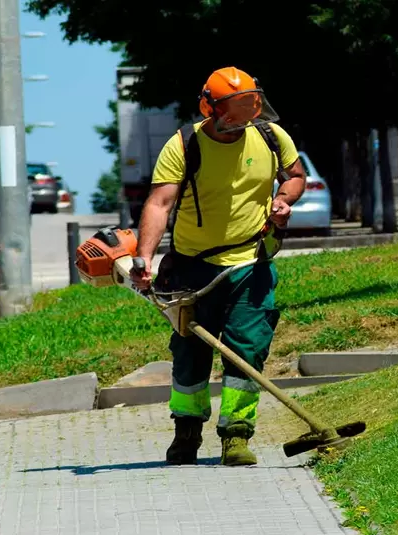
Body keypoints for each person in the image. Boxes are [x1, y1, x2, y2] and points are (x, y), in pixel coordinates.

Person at [129, 66, 306, 466]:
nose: (241, 119)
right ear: (210, 108)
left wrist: (284, 200)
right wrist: (144, 255)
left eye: (249, 108)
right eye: (232, 111)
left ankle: (236, 436)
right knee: (189, 352)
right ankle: (186, 432)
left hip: (251, 265)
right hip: (193, 269)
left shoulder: (271, 136)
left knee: (248, 349)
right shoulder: (183, 144)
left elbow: (295, 176)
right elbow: (159, 203)